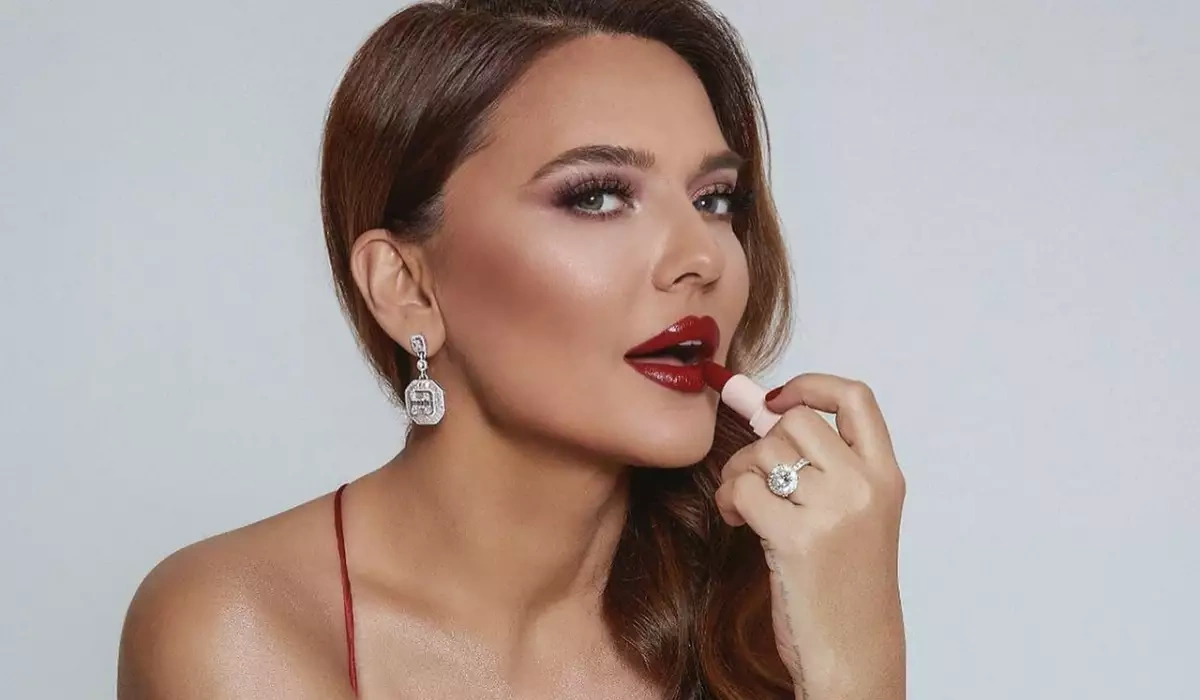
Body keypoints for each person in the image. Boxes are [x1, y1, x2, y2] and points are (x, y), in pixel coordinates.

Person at [117, 1, 907, 698]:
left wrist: (858, 664)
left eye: (715, 199)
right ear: (407, 286)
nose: (701, 256)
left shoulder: (771, 603)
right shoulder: (241, 626)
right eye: (597, 196)